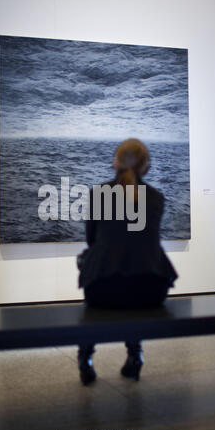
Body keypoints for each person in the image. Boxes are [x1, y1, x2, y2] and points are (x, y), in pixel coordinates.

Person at [77, 138, 178, 385]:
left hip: (104, 290)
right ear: (146, 166)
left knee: (89, 262)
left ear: (115, 163)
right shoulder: (156, 197)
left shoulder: (98, 194)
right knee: (133, 273)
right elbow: (146, 242)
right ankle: (135, 355)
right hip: (151, 290)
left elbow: (92, 242)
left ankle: (86, 358)